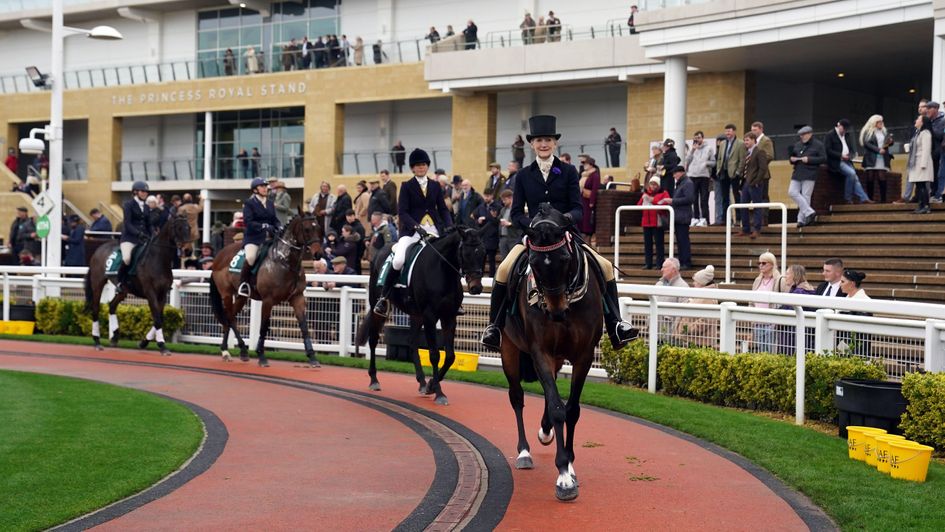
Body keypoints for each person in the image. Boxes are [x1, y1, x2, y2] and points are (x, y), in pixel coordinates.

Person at [480, 115, 637, 351]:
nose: (544, 144)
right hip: (534, 237)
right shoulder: (522, 175)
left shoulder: (568, 171)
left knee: (604, 266)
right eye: (539, 140)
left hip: (564, 235)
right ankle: (495, 327)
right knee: (503, 270)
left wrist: (562, 222)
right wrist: (530, 228)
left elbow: (578, 208)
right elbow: (516, 214)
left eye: (548, 140)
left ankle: (616, 325)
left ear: (554, 143)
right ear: (532, 144)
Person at [373, 148, 453, 316]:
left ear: (427, 166)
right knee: (399, 259)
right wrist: (416, 227)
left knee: (447, 258)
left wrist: (449, 225)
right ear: (412, 168)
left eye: (423, 164)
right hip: (412, 231)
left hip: (433, 230)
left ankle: (453, 299)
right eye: (417, 165)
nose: (421, 168)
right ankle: (384, 297)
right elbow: (402, 212)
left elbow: (443, 210)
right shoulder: (407, 186)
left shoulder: (435, 186)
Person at [237, 178, 281, 297]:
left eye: (266, 186)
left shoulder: (270, 203)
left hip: (270, 237)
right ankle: (244, 284)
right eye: (262, 186)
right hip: (254, 238)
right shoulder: (249, 203)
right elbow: (248, 222)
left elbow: (274, 220)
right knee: (251, 257)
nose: (265, 188)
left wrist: (279, 226)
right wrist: (264, 226)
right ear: (255, 190)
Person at [825, 118, 871, 205]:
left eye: (846, 129)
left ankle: (863, 198)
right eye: (844, 129)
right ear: (839, 126)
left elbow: (850, 148)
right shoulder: (830, 135)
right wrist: (840, 155)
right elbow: (827, 150)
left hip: (847, 161)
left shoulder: (846, 135)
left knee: (855, 178)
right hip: (837, 161)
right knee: (852, 174)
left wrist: (850, 155)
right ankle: (848, 198)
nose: (844, 131)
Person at [116, 181, 152, 291]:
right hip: (129, 239)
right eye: (143, 191)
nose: (145, 193)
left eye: (146, 191)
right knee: (127, 258)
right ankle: (120, 281)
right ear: (135, 192)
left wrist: (153, 236)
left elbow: (148, 224)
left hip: (143, 239)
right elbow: (127, 223)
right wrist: (138, 233)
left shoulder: (146, 207)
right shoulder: (128, 205)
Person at [788, 126, 826, 227]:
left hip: (810, 172)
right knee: (792, 192)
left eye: (804, 135)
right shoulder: (798, 145)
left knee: (806, 195)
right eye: (800, 135)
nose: (802, 137)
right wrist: (792, 159)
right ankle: (809, 212)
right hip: (798, 172)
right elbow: (792, 156)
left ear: (810, 134)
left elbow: (823, 158)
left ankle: (801, 220)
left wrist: (809, 159)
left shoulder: (818, 145)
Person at [750, 251, 788, 352]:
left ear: (772, 264)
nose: (761, 266)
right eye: (759, 263)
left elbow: (785, 300)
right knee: (762, 352)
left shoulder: (780, 280)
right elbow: (751, 301)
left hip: (772, 323)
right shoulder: (757, 280)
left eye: (764, 263)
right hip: (758, 322)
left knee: (772, 352)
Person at [659, 166, 694, 269]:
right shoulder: (681, 183)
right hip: (679, 216)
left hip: (683, 217)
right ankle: (683, 261)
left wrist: (672, 201)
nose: (674, 176)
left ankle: (686, 262)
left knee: (683, 240)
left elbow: (689, 199)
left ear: (681, 173)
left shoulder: (687, 183)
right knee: (680, 240)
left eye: (675, 173)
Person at [673, 265, 718, 346]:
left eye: (696, 281)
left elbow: (705, 321)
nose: (693, 283)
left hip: (699, 342)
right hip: (693, 340)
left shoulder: (708, 297)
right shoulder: (702, 295)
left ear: (701, 283)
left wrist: (687, 329)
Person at [737, 132, 771, 239]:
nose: (745, 142)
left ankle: (757, 229)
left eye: (747, 140)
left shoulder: (760, 151)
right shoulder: (747, 153)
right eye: (745, 140)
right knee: (743, 205)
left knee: (757, 206)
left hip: (755, 183)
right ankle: (745, 229)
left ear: (753, 140)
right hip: (746, 182)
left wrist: (757, 181)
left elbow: (763, 168)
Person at [714, 124, 746, 225]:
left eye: (729, 131)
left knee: (736, 196)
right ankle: (725, 219)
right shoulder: (723, 143)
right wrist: (719, 169)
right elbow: (719, 158)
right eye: (726, 131)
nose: (727, 133)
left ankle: (738, 219)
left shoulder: (740, 143)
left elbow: (742, 160)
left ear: (734, 131)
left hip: (734, 173)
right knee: (724, 197)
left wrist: (738, 172)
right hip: (723, 172)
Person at [684, 130, 716, 227]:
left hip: (703, 176)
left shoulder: (709, 148)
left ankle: (705, 219)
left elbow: (713, 162)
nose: (697, 139)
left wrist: (706, 163)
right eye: (695, 138)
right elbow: (687, 161)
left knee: (704, 199)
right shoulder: (692, 149)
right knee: (694, 199)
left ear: (702, 138)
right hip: (692, 176)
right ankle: (695, 218)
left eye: (699, 137)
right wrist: (693, 150)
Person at [860, 115, 893, 203]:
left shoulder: (884, 132)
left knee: (882, 176)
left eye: (882, 121)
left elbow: (888, 143)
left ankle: (883, 200)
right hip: (871, 158)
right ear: (874, 123)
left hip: (882, 158)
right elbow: (867, 144)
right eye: (879, 122)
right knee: (870, 177)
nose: (881, 123)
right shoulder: (868, 132)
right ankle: (870, 199)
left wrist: (890, 142)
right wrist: (878, 150)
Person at [639, 176, 669, 269]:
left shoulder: (664, 193)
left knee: (659, 244)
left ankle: (659, 263)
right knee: (647, 244)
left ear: (659, 185)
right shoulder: (645, 193)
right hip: (646, 223)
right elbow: (638, 205)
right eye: (651, 184)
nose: (653, 186)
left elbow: (664, 204)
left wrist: (651, 200)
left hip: (657, 223)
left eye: (655, 184)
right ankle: (648, 263)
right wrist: (644, 198)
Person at [908, 114, 934, 215]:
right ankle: (921, 205)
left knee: (922, 185)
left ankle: (925, 206)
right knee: (919, 186)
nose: (916, 120)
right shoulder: (918, 133)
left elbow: (926, 150)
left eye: (918, 119)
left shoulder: (925, 133)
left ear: (923, 122)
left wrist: (923, 165)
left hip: (922, 163)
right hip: (916, 162)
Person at [474, 188, 500, 276]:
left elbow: (498, 221)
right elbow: (474, 216)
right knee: (481, 259)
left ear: (492, 196)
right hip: (483, 237)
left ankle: (492, 276)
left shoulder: (497, 206)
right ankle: (480, 276)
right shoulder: (481, 206)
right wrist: (478, 221)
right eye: (485, 196)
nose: (486, 198)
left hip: (492, 236)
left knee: (492, 259)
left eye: (488, 196)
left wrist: (490, 217)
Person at [578, 157, 601, 239]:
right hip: (582, 199)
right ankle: (583, 233)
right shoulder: (584, 174)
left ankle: (588, 234)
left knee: (587, 218)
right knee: (582, 217)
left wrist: (592, 201)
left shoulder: (595, 175)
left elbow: (595, 189)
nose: (584, 165)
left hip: (588, 200)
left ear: (591, 165)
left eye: (586, 164)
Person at [497, 189, 521, 259]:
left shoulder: (518, 209)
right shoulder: (503, 210)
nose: (503, 202)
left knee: (513, 260)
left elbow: (521, 223)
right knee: (504, 260)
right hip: (503, 238)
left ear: (510, 198)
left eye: (504, 199)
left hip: (513, 238)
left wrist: (510, 224)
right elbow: (498, 220)